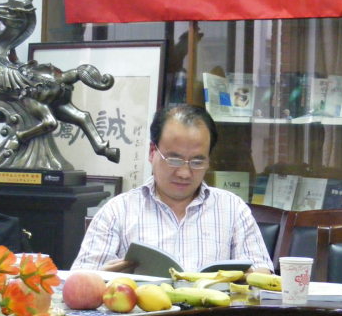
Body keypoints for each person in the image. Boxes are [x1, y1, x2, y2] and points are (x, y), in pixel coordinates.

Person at [71, 104, 273, 274]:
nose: (184, 173)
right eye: (174, 160)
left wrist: (252, 277)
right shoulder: (117, 211)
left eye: (197, 162)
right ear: (152, 152)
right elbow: (79, 281)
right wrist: (103, 278)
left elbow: (264, 276)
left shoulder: (232, 209)